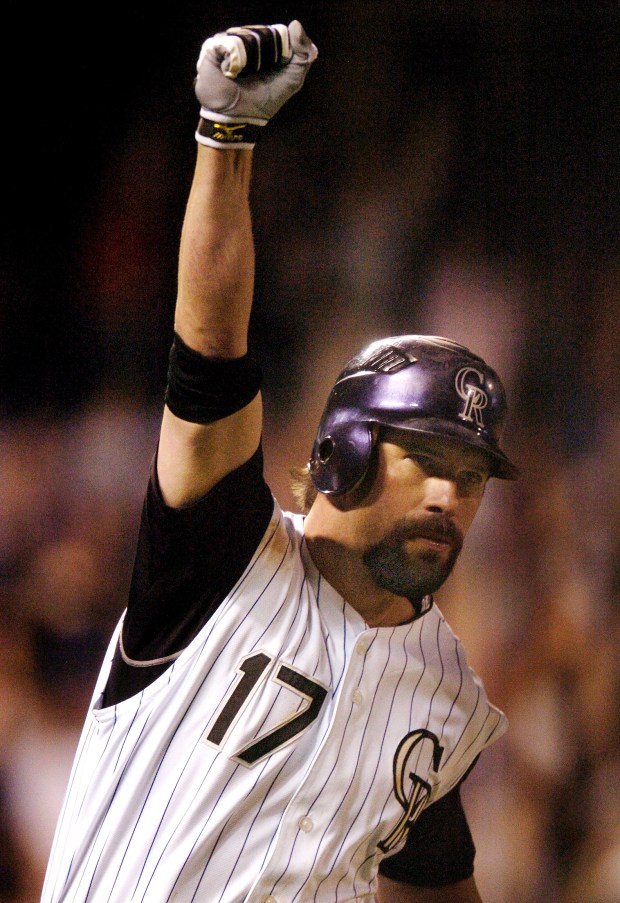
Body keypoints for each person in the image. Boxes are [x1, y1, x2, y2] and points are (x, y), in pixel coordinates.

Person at [41, 20, 518, 903]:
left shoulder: (444, 697)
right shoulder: (221, 555)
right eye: (429, 457)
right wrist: (225, 143)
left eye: (475, 474)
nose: (454, 491)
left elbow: (442, 880)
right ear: (343, 453)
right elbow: (211, 352)